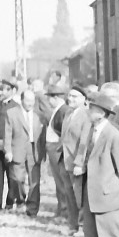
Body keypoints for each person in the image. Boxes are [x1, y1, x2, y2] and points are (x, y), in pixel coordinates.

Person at [76, 92, 119, 237]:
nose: (88, 110)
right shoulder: (92, 130)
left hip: (109, 195)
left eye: (92, 107)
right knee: (92, 235)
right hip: (91, 192)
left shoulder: (114, 136)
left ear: (103, 112)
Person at [61, 86, 94, 237]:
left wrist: (80, 163)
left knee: (79, 196)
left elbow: (84, 141)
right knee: (69, 195)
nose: (71, 99)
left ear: (83, 99)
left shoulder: (86, 115)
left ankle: (82, 227)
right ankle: (72, 225)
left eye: (75, 96)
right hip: (66, 161)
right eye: (70, 96)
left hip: (77, 163)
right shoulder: (68, 113)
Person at [5, 89, 42, 212]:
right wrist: (8, 150)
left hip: (34, 149)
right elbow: (8, 133)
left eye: (32, 101)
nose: (30, 103)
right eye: (27, 101)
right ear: (21, 101)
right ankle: (21, 199)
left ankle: (32, 207)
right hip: (18, 148)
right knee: (17, 179)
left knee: (34, 181)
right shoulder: (11, 113)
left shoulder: (39, 114)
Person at [43, 83, 71, 221]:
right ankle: (61, 208)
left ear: (55, 98)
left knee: (61, 181)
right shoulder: (58, 110)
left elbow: (63, 133)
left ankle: (64, 211)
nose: (48, 101)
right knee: (58, 181)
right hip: (53, 148)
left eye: (50, 97)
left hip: (57, 149)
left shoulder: (63, 111)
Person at [0, 78, 19, 210]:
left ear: (12, 91)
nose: (1, 92)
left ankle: (10, 201)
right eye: (1, 89)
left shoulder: (16, 107)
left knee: (11, 175)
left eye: (4, 90)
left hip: (10, 147)